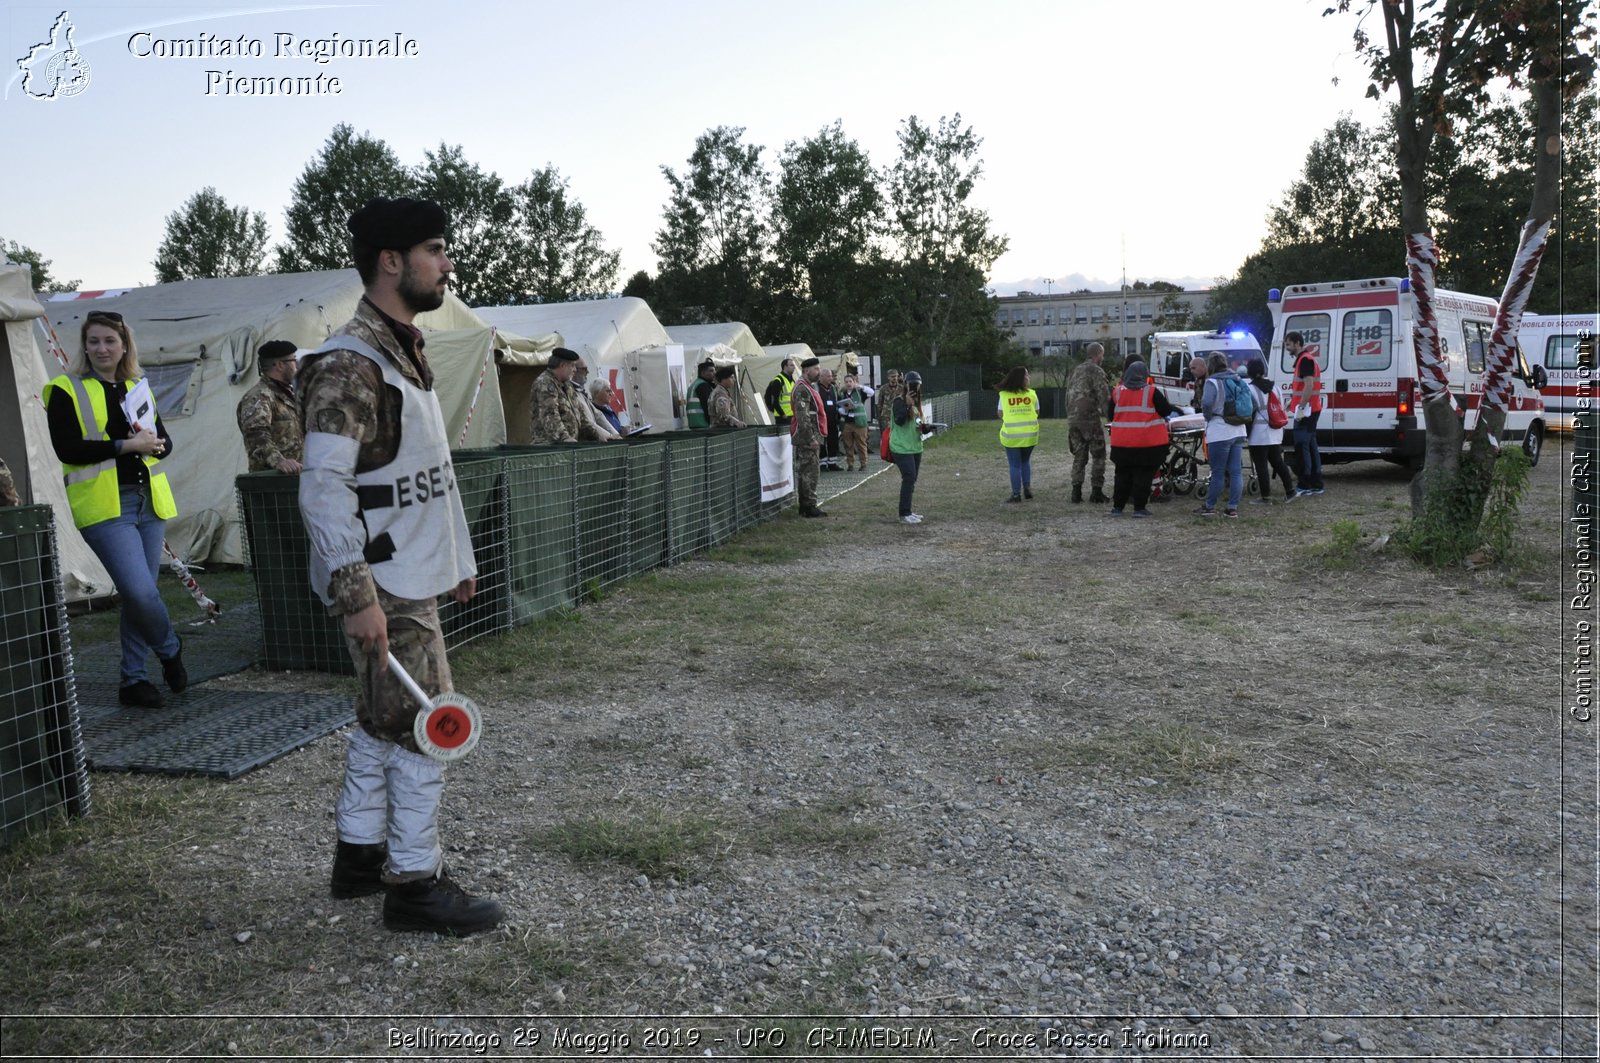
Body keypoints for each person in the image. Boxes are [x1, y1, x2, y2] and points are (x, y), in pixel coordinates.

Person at [297, 196, 502, 937]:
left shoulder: (399, 350)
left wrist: (458, 553)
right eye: (436, 249)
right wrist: (358, 594)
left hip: (412, 569)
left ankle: (359, 858)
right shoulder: (351, 361)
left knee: (382, 720)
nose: (447, 263)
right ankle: (414, 883)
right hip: (384, 581)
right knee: (425, 721)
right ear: (393, 261)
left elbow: (424, 468)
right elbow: (323, 487)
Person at [44, 309, 186, 708]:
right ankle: (171, 648)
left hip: (148, 500)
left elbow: (164, 441)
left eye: (109, 340)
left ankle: (133, 681)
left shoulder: (137, 385)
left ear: (124, 345)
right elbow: (67, 449)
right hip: (105, 505)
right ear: (84, 347)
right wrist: (128, 445)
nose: (102, 348)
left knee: (141, 594)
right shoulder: (64, 388)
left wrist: (155, 444)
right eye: (94, 341)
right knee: (139, 592)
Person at [1107, 360, 1175, 517]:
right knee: (1143, 476)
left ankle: (1117, 507)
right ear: (1145, 376)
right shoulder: (1151, 392)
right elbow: (1165, 411)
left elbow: (1110, 415)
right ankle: (1139, 508)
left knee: (1122, 475)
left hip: (1121, 443)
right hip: (1146, 443)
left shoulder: (1117, 392)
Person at [236, 340, 304, 473]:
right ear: (279, 365)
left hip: (296, 480)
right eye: (293, 360)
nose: (297, 365)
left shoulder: (288, 394)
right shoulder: (260, 396)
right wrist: (279, 461)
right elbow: (255, 434)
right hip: (273, 482)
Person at [1197, 352, 1247, 517]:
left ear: (1210, 366)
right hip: (1239, 428)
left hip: (1220, 430)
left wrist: (1207, 416)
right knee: (1236, 472)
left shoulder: (1213, 381)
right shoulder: (1237, 378)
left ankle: (1210, 506)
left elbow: (1206, 402)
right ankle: (1232, 508)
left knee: (1217, 471)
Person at [1245, 357, 1296, 504]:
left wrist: (1246, 434)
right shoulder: (1276, 388)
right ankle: (1290, 491)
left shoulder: (1249, 389)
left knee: (1261, 465)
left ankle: (1266, 496)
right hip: (1276, 430)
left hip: (1258, 433)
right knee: (1278, 462)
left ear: (1249, 373)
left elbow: (1249, 412)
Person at [1065, 343, 1110, 503]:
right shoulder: (1096, 370)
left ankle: (1076, 492)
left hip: (1073, 419)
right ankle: (1096, 492)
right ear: (1098, 354)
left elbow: (1068, 394)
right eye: (1102, 355)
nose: (1102, 358)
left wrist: (1070, 415)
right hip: (1089, 418)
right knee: (1098, 455)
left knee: (1079, 456)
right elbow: (1104, 396)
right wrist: (1111, 418)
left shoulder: (1075, 370)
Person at [1285, 331, 1325, 496]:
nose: (1287, 348)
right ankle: (1316, 483)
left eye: (1288, 344)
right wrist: (1292, 402)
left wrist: (1300, 407)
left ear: (1297, 343)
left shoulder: (1305, 360)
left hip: (1306, 411)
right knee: (1310, 446)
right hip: (1311, 408)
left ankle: (1305, 484)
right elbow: (1303, 387)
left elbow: (1308, 386)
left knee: (1302, 447)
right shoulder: (1307, 359)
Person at [889, 370, 930, 523]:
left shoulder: (918, 403)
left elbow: (917, 424)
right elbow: (899, 420)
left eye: (917, 385)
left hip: (915, 446)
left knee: (912, 479)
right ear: (905, 384)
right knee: (909, 477)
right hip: (901, 447)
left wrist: (926, 428)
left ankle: (908, 511)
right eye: (912, 384)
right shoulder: (899, 401)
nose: (914, 387)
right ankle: (904, 513)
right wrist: (907, 405)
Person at [996, 365, 1039, 503]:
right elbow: (1037, 412)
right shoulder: (1032, 394)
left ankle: (1016, 495)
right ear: (1021, 378)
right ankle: (1027, 488)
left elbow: (1000, 413)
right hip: (1030, 435)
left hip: (1011, 436)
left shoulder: (1004, 395)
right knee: (1025, 461)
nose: (1029, 377)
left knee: (1014, 465)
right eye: (1027, 375)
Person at [790, 357, 827, 517]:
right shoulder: (802, 389)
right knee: (809, 472)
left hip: (811, 436)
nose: (818, 372)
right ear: (806, 370)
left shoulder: (808, 387)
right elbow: (802, 417)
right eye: (816, 369)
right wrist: (811, 438)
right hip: (807, 438)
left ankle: (807, 505)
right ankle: (808, 506)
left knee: (810, 471)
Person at [529, 347, 582, 444]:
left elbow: (579, 412)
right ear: (562, 365)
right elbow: (549, 414)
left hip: (567, 446)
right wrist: (565, 437)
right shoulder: (545, 383)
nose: (575, 370)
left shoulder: (567, 385)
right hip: (550, 447)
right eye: (572, 366)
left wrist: (597, 433)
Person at [572, 357, 620, 441]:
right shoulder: (571, 392)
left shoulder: (580, 392)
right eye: (584, 369)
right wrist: (612, 437)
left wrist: (616, 436)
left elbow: (598, 416)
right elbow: (587, 422)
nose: (587, 372)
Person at [838, 374, 872, 471]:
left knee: (861, 444)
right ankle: (850, 464)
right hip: (847, 423)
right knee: (848, 445)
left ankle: (863, 464)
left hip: (860, 423)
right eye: (846, 382)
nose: (848, 383)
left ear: (854, 382)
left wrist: (860, 386)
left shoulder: (859, 392)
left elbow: (871, 392)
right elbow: (839, 408)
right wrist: (844, 409)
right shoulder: (842, 394)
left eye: (850, 381)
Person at [817, 367, 842, 470]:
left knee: (833, 441)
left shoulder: (833, 388)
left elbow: (839, 400)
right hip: (821, 420)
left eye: (831, 376)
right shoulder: (816, 388)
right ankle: (822, 463)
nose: (830, 378)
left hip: (833, 420)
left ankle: (832, 462)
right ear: (821, 377)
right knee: (822, 442)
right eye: (828, 376)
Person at [764, 358, 797, 426]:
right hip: (783, 417)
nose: (794, 367)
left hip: (792, 416)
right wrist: (782, 414)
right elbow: (774, 401)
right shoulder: (778, 381)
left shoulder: (793, 381)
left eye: (794, 365)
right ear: (785, 367)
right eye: (791, 365)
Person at [685, 359, 715, 430]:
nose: (714, 373)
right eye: (711, 371)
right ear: (703, 372)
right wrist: (713, 423)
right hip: (704, 425)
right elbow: (708, 406)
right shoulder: (703, 385)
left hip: (694, 424)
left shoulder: (695, 384)